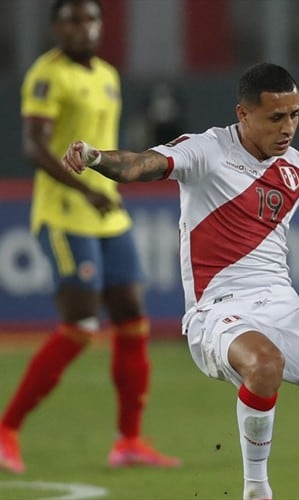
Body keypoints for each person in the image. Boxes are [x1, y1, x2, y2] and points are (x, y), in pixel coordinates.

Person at [62, 62, 299, 500]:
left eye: (294, 115)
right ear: (243, 114)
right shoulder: (206, 151)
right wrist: (95, 157)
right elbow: (141, 164)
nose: (288, 127)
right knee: (264, 363)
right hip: (216, 312)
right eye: (276, 117)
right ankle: (256, 489)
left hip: (283, 306)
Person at [0, 0, 180, 475]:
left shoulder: (107, 75)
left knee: (132, 317)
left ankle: (129, 442)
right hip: (65, 215)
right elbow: (34, 148)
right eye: (73, 20)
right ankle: (6, 429)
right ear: (56, 28)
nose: (84, 28)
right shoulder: (47, 75)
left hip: (107, 214)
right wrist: (85, 191)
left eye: (91, 19)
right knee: (81, 325)